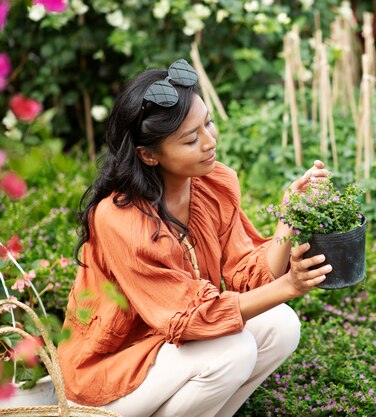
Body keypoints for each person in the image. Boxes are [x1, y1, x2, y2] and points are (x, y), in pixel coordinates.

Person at [58, 58, 331, 417]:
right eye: (191, 138)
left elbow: (245, 276)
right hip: (107, 373)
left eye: (209, 123)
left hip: (165, 351)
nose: (209, 141)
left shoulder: (213, 183)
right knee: (231, 350)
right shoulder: (119, 217)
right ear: (148, 155)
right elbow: (188, 319)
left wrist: (288, 216)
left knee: (281, 325)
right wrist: (290, 286)